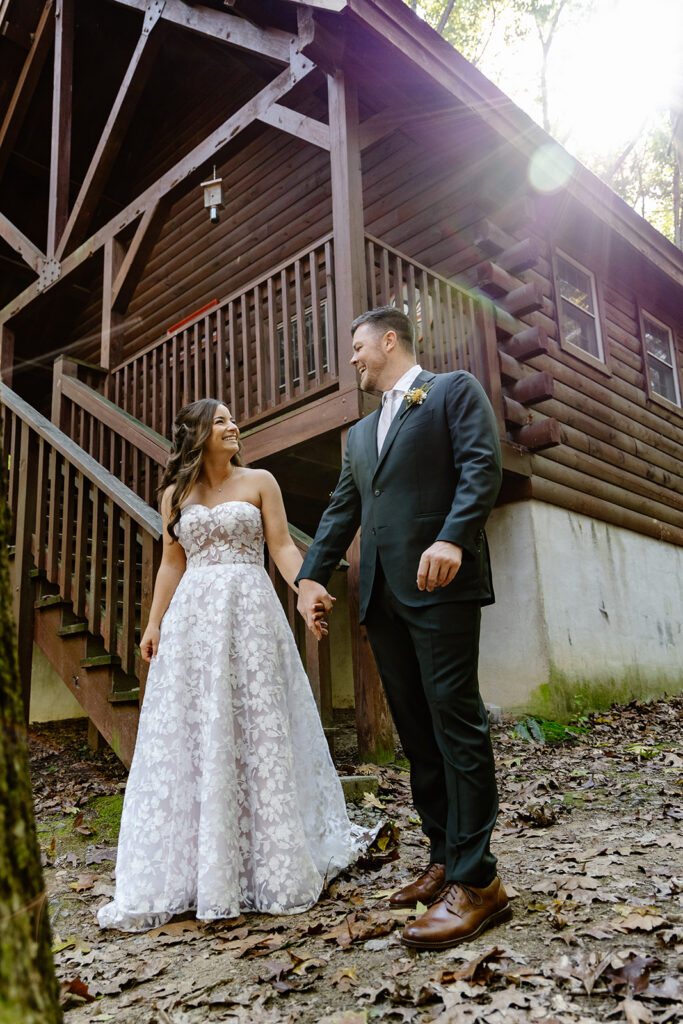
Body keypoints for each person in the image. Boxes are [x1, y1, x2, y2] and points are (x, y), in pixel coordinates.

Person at [98, 399, 369, 932]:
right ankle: (204, 864)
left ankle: (267, 855)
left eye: (231, 419)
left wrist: (306, 589)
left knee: (257, 724)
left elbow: (283, 548)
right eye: (220, 420)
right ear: (198, 434)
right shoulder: (174, 495)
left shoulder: (262, 481)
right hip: (194, 621)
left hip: (249, 612)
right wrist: (153, 625)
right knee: (199, 730)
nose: (233, 426)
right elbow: (172, 562)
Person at [297, 306, 510, 950]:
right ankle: (443, 857)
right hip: (382, 601)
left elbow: (482, 467)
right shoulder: (359, 436)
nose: (353, 359)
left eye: (357, 346)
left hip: (440, 587)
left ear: (389, 340)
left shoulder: (450, 392)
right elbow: (342, 510)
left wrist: (452, 537)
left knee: (456, 721)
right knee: (418, 734)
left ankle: (479, 883)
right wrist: (312, 577)